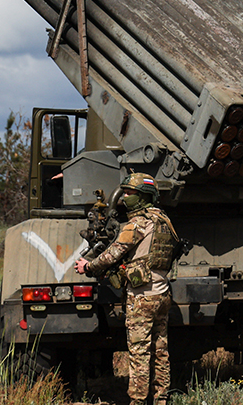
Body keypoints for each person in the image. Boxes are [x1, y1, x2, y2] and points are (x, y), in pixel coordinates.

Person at [74, 172, 178, 405]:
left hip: (142, 298)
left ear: (143, 196)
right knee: (161, 351)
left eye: (130, 193)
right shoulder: (163, 220)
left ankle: (138, 402)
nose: (125, 197)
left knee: (139, 353)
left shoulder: (137, 223)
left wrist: (88, 266)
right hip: (162, 293)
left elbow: (112, 254)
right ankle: (161, 399)